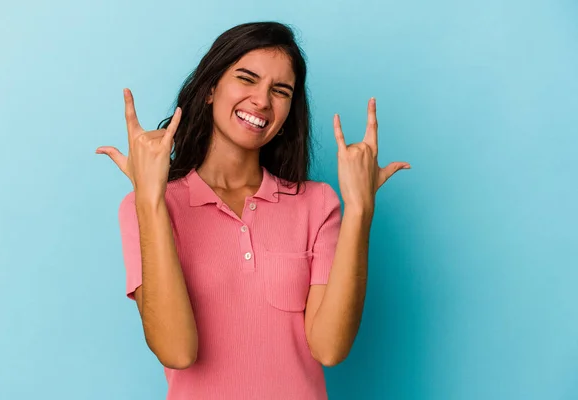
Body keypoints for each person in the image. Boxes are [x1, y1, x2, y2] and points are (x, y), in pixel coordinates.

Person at [96, 21, 410, 400]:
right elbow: (176, 351)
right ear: (211, 88)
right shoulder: (145, 208)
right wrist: (149, 199)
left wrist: (360, 210)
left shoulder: (317, 204)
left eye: (280, 91)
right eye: (247, 79)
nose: (262, 100)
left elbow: (330, 348)